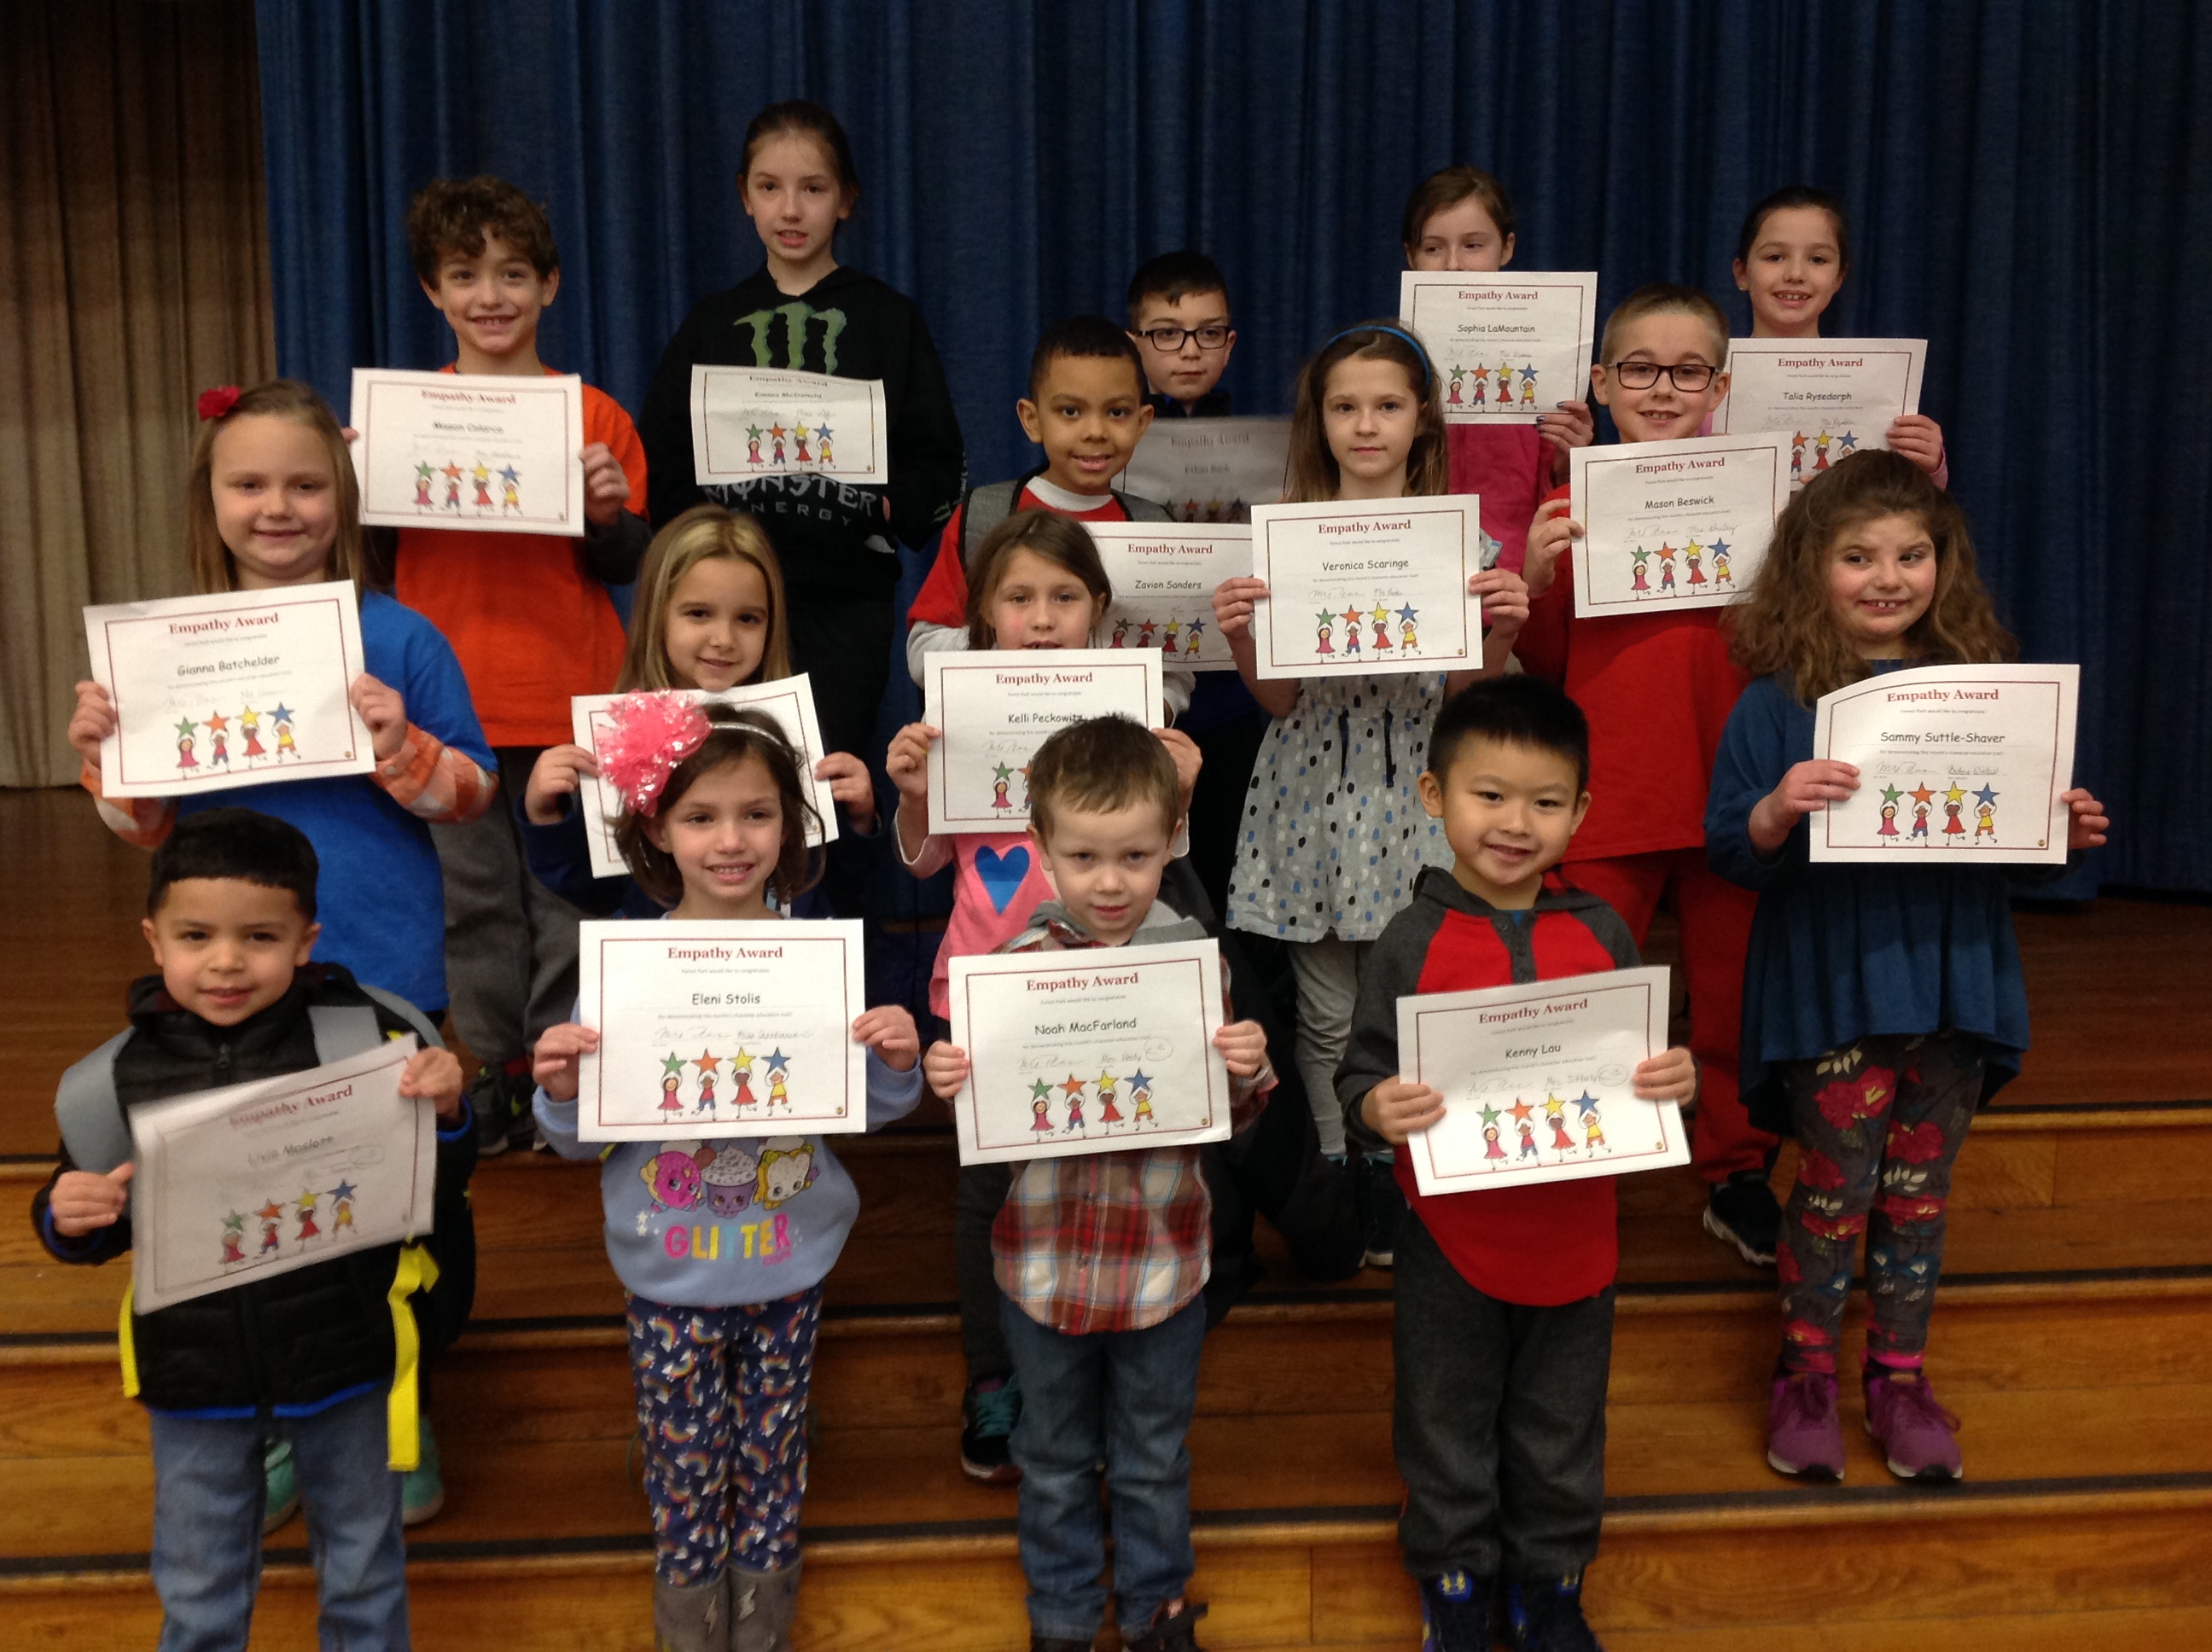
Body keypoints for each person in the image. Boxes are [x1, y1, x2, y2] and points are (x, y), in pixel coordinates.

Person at [67, 380, 494, 1525]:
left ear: (342, 496)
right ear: (209, 498)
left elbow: (472, 794)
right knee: (252, 1205)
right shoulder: (163, 645)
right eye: (248, 483)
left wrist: (400, 749)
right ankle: (273, 1418)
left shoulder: (400, 635)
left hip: (379, 972)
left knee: (397, 1213)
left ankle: (396, 1415)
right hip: (226, 994)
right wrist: (107, 763)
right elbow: (143, 829)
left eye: (305, 484)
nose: (278, 507)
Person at [1703, 451, 2109, 1481]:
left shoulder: (1983, 693)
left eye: (1912, 555)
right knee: (1833, 1193)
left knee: (1919, 1195)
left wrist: (2056, 832)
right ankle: (1805, 1377)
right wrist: (1778, 805)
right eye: (1857, 556)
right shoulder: (1775, 702)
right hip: (1835, 985)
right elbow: (1728, 848)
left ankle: (1897, 1376)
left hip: (1953, 980)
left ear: (1944, 563)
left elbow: (2011, 853)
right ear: (1811, 567)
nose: (1888, 577)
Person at [31, 809, 475, 1652]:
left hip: (346, 1364)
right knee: (198, 1590)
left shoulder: (359, 1044)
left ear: (306, 939)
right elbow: (90, 1212)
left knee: (365, 1575)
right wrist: (66, 1216)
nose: (227, 961)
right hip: (196, 1381)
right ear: (154, 940)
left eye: (260, 937)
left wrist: (449, 1112)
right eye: (196, 935)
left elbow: (439, 1187)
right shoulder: (115, 1078)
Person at [531, 701, 923, 1652]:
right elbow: (581, 1136)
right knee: (681, 1465)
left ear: (791, 823)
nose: (731, 839)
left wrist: (898, 1058)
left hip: (789, 1265)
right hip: (667, 1276)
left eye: (756, 813)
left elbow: (869, 1107)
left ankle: (763, 1624)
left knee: (774, 1456)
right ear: (658, 831)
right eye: (701, 817)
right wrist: (557, 1086)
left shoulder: (818, 956)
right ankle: (690, 1627)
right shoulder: (621, 970)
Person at [1339, 677, 1696, 1652]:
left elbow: (1652, 1066)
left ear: (1581, 812)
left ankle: (1552, 1581)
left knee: (1562, 1422)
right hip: (1448, 1238)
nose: (1514, 821)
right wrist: (1375, 1104)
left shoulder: (1605, 931)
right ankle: (1454, 1577)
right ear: (1433, 796)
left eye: (1545, 802)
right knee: (1445, 1416)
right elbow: (1359, 1071)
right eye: (1488, 794)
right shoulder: (1408, 941)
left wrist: (1678, 1076)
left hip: (1579, 1237)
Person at [920, 716, 1276, 1652]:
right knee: (1053, 1456)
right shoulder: (1007, 973)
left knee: (1154, 1457)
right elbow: (987, 1137)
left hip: (1164, 1274)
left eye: (1134, 855)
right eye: (1083, 855)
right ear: (1041, 852)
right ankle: (1065, 1617)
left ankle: (1157, 1607)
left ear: (1169, 846)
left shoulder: (1193, 968)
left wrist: (1243, 1068)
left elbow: (1235, 1123)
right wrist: (955, 1085)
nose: (1109, 880)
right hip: (1042, 1272)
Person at [888, 509, 1201, 1483]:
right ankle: (997, 1378)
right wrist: (910, 787)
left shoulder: (1133, 724)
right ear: (982, 612)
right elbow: (924, 856)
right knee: (990, 1195)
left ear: (1100, 613)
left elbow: (1157, 865)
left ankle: (1096, 1384)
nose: (1041, 617)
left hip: (1109, 989)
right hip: (985, 994)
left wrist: (1178, 784)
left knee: (1093, 1189)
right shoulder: (957, 714)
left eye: (1064, 598)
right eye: (1018, 598)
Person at [1210, 321, 1526, 1264]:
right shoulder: (1284, 534)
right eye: (1346, 406)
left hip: (1419, 795)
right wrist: (1240, 638)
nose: (1366, 424)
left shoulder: (1467, 540)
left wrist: (1499, 635)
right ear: (1321, 420)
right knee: (1325, 1011)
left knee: (1419, 993)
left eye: (1387, 405)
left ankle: (1407, 1167)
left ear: (1422, 419)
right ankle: (1340, 1170)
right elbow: (1281, 699)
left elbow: (1468, 700)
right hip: (1315, 795)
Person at [1514, 285, 1781, 1265]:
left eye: (1685, 371)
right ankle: (1580, 1160)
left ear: (1720, 383)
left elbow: (1789, 644)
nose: (1661, 389)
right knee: (1584, 981)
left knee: (1735, 990)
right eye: (1638, 368)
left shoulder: (1766, 503)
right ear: (1600, 381)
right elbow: (1547, 666)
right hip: (1612, 793)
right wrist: (1538, 583)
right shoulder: (1564, 506)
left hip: (1735, 791)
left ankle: (1736, 1168)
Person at [394, 174, 653, 1155]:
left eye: (511, 272)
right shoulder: (399, 422)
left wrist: (606, 513)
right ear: (433, 291)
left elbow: (631, 565)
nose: (489, 294)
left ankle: (559, 1063)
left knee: (569, 900)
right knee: (474, 902)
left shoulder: (597, 416)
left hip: (575, 699)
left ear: (548, 285)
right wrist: (353, 480)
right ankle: (499, 1071)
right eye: (464, 274)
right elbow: (370, 567)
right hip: (442, 706)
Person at [637, 100, 965, 761]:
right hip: (724, 609)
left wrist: (876, 502)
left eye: (813, 189)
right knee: (720, 780)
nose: (791, 210)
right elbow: (663, 474)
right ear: (745, 197)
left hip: (842, 608)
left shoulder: (887, 321)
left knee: (823, 797)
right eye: (770, 188)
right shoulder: (710, 326)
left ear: (845, 200)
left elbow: (938, 470)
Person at [517, 503, 881, 919]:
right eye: (699, 614)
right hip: (668, 970)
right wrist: (545, 817)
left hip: (784, 967)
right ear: (658, 616)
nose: (723, 638)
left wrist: (858, 820)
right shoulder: (617, 744)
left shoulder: (792, 735)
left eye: (747, 618)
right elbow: (594, 890)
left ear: (771, 624)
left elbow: (838, 882)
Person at [903, 317, 1188, 718]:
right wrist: (1011, 642)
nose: (1095, 431)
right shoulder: (985, 515)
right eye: (1070, 411)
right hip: (997, 739)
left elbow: (1176, 666)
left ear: (1142, 423)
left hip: (1112, 758)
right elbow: (923, 648)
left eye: (1117, 412)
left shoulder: (1155, 530)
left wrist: (1154, 713)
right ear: (1031, 419)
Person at [1400, 166, 1596, 572]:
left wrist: (1570, 457)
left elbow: (1556, 482)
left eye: (1473, 245)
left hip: (1522, 582)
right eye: (1433, 249)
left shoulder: (1549, 351)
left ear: (1506, 248)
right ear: (1411, 255)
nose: (1453, 265)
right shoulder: (1389, 362)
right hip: (1420, 575)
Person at [1727, 186, 1947, 483]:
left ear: (1839, 278)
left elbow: (1905, 510)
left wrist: (1928, 464)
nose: (1795, 274)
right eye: (1775, 257)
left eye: (1818, 260)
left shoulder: (1879, 386)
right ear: (1742, 273)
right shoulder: (1707, 384)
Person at [1126, 250, 1237, 419]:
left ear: (1228, 347)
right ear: (1133, 349)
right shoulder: (1110, 439)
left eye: (1210, 332)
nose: (1191, 352)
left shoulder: (1263, 437)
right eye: (1169, 333)